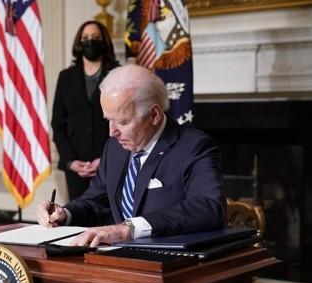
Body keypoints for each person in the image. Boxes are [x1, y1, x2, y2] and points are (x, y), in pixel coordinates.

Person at [37, 64, 226, 247]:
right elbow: (96, 201)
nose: (112, 132)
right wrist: (65, 213)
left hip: (170, 267)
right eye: (108, 120)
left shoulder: (194, 147)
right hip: (118, 263)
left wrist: (128, 229)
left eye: (122, 122)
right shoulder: (114, 147)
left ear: (154, 115)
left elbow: (209, 207)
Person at [51, 20, 119, 200]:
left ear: (104, 42)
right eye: (86, 38)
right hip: (76, 166)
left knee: (108, 221)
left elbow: (123, 121)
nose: (90, 41)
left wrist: (104, 159)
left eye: (96, 37)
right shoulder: (65, 77)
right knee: (78, 219)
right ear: (78, 43)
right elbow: (58, 124)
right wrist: (70, 161)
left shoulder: (118, 74)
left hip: (110, 163)